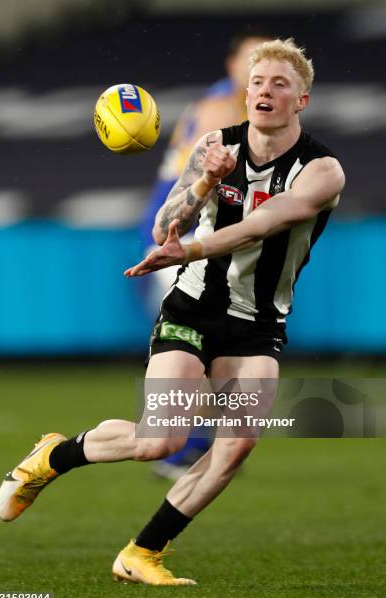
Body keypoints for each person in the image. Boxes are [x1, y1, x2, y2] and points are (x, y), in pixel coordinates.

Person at [0, 39, 345, 586]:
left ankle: (142, 552)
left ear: (301, 100)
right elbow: (164, 226)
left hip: (258, 323)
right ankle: (52, 457)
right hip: (194, 306)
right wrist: (205, 179)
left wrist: (194, 247)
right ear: (245, 93)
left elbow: (266, 223)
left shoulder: (322, 170)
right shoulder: (215, 145)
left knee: (236, 445)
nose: (265, 91)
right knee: (162, 439)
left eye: (280, 84)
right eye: (258, 82)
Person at [141, 29, 273, 479]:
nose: (260, 69)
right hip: (179, 239)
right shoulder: (220, 109)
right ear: (232, 64)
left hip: (198, 240)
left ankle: (188, 447)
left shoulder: (243, 108)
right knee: (199, 348)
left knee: (212, 352)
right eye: (251, 59)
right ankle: (181, 451)